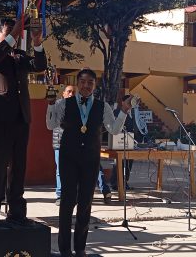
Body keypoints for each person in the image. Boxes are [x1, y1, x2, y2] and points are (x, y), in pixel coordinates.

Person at [47, 69, 132, 257]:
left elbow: (114, 129)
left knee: (85, 202)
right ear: (78, 83)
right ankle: (64, 249)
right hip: (68, 157)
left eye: (90, 82)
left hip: (91, 159)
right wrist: (51, 105)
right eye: (83, 82)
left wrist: (124, 111)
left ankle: (80, 248)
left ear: (95, 85)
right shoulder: (63, 103)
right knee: (67, 202)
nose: (86, 86)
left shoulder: (103, 107)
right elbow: (50, 125)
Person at [0, 18, 47, 228]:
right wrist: (13, 34)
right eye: (9, 32)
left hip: (21, 118)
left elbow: (39, 66)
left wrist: (37, 42)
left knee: (18, 168)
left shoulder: (19, 56)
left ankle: (16, 212)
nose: (16, 36)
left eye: (17, 33)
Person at [109, 94, 148, 191]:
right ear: (122, 102)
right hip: (120, 142)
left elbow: (137, 127)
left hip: (132, 142)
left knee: (129, 163)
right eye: (128, 101)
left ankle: (124, 182)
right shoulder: (117, 112)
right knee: (119, 163)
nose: (131, 104)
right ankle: (115, 183)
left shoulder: (135, 113)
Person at [46, 84, 77, 206]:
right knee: (60, 170)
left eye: (73, 92)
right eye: (69, 91)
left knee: (74, 171)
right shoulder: (57, 105)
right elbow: (50, 123)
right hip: (59, 142)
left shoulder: (79, 107)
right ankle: (60, 195)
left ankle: (73, 194)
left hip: (75, 143)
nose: (71, 94)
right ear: (63, 93)